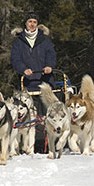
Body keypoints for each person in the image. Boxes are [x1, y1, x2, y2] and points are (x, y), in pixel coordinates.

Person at [11, 12, 57, 154]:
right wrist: (23, 69)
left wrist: (49, 66)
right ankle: (28, 146)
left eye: (34, 22)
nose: (32, 24)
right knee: (28, 117)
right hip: (27, 85)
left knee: (46, 117)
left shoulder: (45, 40)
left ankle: (47, 145)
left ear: (38, 24)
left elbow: (51, 55)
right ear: (25, 23)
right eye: (30, 21)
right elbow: (15, 59)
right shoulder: (19, 41)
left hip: (45, 82)